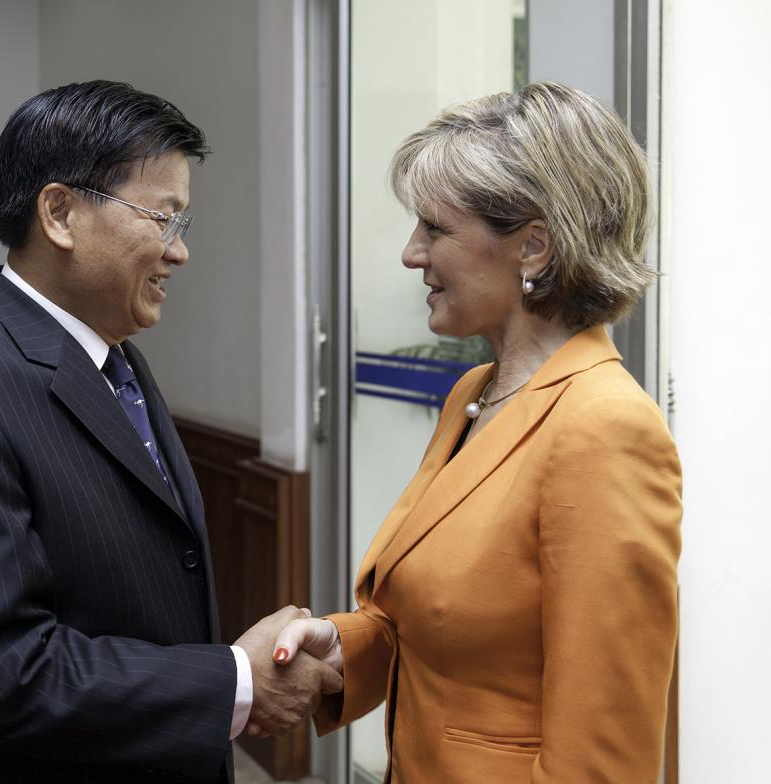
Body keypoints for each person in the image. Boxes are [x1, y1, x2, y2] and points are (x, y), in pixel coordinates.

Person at [0, 80, 341, 784]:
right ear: (60, 213)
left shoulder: (116, 357)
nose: (179, 252)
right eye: (165, 218)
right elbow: (0, 672)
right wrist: (233, 681)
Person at [272, 82, 682, 782]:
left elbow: (603, 761)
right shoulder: (475, 393)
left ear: (533, 248)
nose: (410, 253)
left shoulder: (605, 429)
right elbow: (442, 627)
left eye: (434, 228)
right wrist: (339, 651)